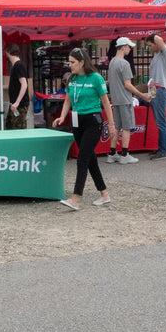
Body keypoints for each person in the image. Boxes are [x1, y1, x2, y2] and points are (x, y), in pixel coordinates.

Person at [53, 48, 115, 210]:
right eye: (69, 62)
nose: (70, 65)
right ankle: (104, 194)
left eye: (72, 62)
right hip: (77, 122)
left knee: (82, 159)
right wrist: (62, 116)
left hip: (93, 121)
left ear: (82, 62)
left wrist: (112, 124)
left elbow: (106, 102)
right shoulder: (72, 79)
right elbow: (67, 100)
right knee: (90, 159)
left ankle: (75, 198)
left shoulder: (96, 78)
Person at [106, 36, 150, 164]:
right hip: (125, 99)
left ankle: (112, 153)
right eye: (129, 47)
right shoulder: (124, 64)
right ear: (124, 46)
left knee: (117, 127)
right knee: (126, 127)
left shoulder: (112, 62)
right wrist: (142, 95)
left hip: (115, 99)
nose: (130, 49)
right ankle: (124, 154)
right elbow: (128, 84)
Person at [145, 34, 166, 160]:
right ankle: (161, 148)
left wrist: (154, 35)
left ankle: (164, 151)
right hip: (155, 90)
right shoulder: (157, 55)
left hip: (160, 90)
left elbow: (159, 39)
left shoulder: (165, 53)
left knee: (161, 122)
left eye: (150, 45)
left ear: (156, 44)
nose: (149, 48)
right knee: (159, 121)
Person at [5, 43, 29, 130]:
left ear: (8, 52)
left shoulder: (18, 65)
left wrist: (17, 102)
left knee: (17, 128)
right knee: (10, 126)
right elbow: (15, 85)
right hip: (16, 104)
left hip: (19, 105)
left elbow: (24, 84)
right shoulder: (17, 65)